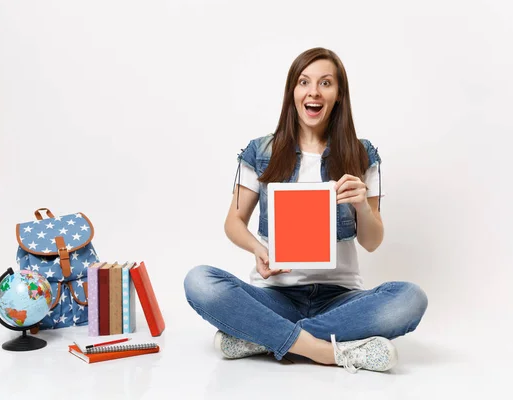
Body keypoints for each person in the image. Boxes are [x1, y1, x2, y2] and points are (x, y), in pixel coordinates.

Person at [183, 47, 428, 373]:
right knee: (200, 281)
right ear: (292, 92)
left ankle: (263, 338)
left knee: (410, 298)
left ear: (339, 94)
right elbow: (234, 221)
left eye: (326, 83)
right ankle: (327, 351)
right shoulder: (261, 151)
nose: (314, 91)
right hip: (275, 297)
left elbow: (372, 241)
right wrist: (258, 249)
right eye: (304, 82)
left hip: (340, 300)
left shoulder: (362, 154)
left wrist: (361, 205)